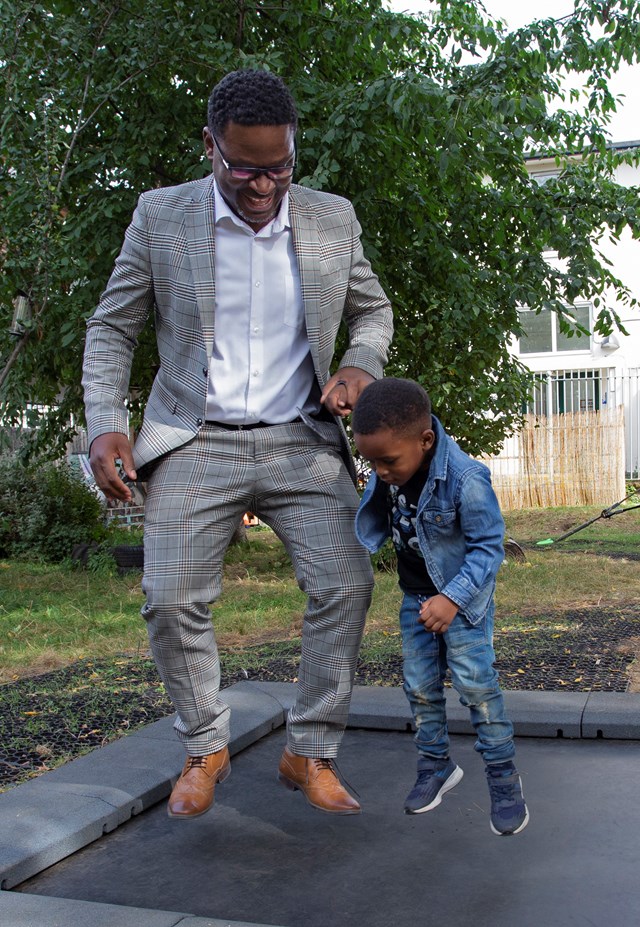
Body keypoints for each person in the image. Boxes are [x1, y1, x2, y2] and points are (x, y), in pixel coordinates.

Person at [82, 69, 392, 819]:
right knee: (169, 597)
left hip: (302, 441)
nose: (262, 185)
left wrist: (359, 363)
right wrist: (104, 422)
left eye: (279, 166)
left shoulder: (330, 219)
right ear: (210, 147)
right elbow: (112, 326)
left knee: (347, 582)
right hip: (196, 437)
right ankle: (204, 744)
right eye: (243, 167)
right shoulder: (161, 217)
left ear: (294, 151)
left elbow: (373, 311)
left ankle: (308, 750)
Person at [352, 378, 529, 836]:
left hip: (462, 603)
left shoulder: (467, 480)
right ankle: (435, 765)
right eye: (371, 461)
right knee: (419, 686)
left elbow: (489, 549)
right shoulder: (392, 457)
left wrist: (451, 599)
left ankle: (504, 780)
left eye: (386, 461)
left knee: (476, 688)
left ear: (425, 440)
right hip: (415, 599)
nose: (379, 471)